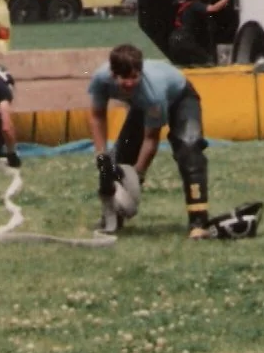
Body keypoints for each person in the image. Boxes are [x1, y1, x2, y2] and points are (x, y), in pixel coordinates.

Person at [87, 43, 213, 239]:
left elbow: (151, 139)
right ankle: (113, 217)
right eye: (124, 78)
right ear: (113, 74)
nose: (129, 82)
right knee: (121, 157)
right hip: (141, 104)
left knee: (190, 148)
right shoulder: (100, 79)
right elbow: (97, 117)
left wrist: (137, 176)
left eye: (134, 77)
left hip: (181, 97)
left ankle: (199, 221)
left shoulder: (152, 92)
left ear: (141, 72)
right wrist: (101, 154)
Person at [168, 0, 232, 66]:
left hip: (174, 38)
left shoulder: (183, 2)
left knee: (185, 64)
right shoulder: (194, 4)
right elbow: (213, 8)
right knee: (207, 61)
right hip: (185, 39)